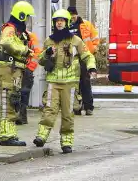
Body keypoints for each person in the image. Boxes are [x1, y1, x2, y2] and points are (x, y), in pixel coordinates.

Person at [34, 9, 96, 154]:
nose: (59, 23)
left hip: (70, 83)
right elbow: (41, 61)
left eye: (62, 20)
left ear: (67, 22)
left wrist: (91, 67)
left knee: (68, 113)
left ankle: (66, 142)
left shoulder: (76, 41)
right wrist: (47, 53)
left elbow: (87, 55)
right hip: (53, 82)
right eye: (57, 21)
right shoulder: (49, 41)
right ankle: (41, 137)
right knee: (49, 110)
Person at [0, 1, 34, 146]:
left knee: (13, 102)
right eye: (27, 16)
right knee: (7, 103)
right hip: (7, 71)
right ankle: (6, 136)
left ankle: (10, 134)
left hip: (14, 71)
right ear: (21, 15)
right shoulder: (9, 29)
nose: (28, 19)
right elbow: (6, 42)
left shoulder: (18, 31)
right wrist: (24, 50)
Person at [68, 6, 100, 116]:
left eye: (73, 15)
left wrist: (93, 49)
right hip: (72, 58)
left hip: (85, 57)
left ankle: (88, 107)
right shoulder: (66, 25)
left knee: (85, 82)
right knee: (74, 84)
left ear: (76, 14)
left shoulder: (86, 24)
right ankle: (77, 107)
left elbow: (95, 38)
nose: (72, 17)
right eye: (70, 15)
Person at [16, 18, 43, 125]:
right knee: (15, 92)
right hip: (15, 69)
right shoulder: (12, 37)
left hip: (26, 69)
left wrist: (29, 68)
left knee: (24, 92)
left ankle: (22, 116)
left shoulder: (31, 37)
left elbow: (37, 54)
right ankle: (16, 115)